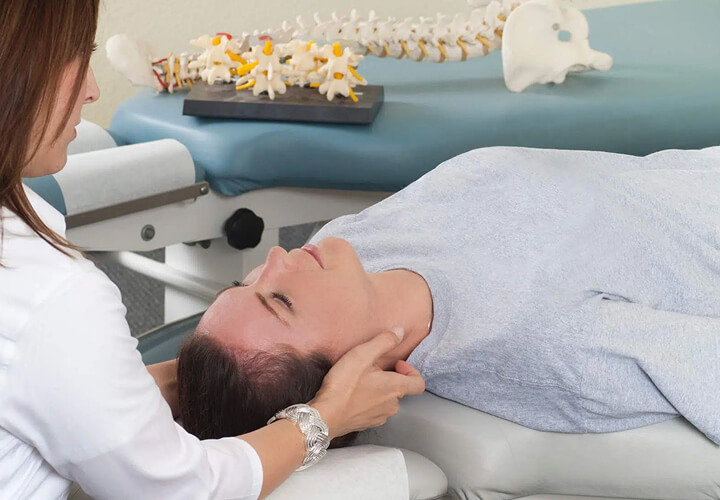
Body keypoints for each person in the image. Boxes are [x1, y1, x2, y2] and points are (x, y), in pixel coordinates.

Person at [0, 2, 425, 499]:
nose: (91, 90)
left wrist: (192, 383)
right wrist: (326, 417)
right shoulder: (54, 295)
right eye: (72, 59)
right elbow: (178, 490)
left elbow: (60, 386)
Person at [178, 145, 720, 446]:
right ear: (348, 370)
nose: (277, 258)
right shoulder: (540, 340)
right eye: (280, 300)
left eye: (245, 283)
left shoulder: (346, 249)